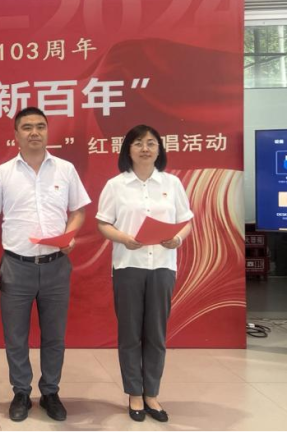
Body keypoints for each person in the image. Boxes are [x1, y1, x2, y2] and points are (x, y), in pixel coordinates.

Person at [0, 107, 90, 422]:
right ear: (16, 135)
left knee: (54, 335)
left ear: (47, 131)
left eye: (40, 126)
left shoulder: (65, 169)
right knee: (16, 336)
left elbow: (79, 210)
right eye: (27, 127)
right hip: (16, 265)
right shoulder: (3, 173)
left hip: (56, 264)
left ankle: (51, 391)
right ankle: (21, 392)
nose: (34, 133)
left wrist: (70, 235)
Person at [95, 124, 193, 423]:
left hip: (163, 266)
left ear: (159, 149)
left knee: (156, 333)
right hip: (128, 265)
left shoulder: (172, 183)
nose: (145, 148)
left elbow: (186, 221)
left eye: (151, 143)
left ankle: (152, 393)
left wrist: (178, 239)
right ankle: (134, 393)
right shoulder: (116, 185)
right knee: (130, 334)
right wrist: (124, 238)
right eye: (138, 143)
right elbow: (103, 223)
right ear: (128, 149)